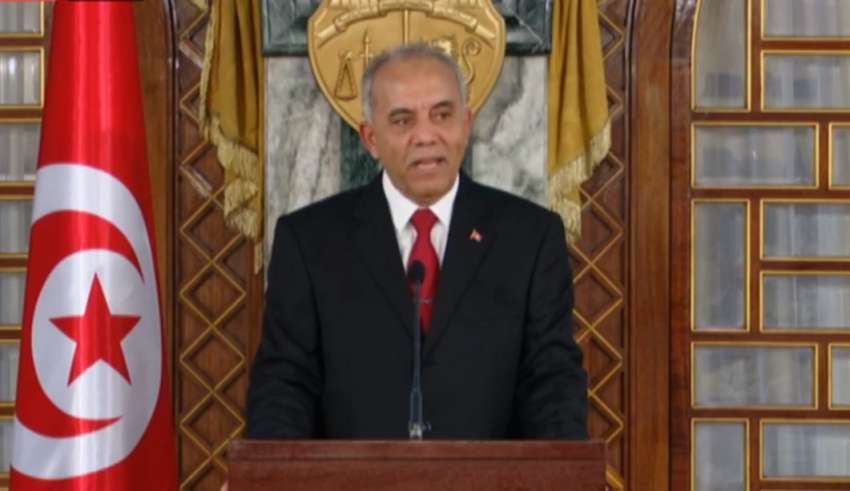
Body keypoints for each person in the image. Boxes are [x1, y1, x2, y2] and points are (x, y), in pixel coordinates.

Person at [246, 43, 588, 439]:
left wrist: (563, 466)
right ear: (370, 138)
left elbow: (552, 383)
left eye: (442, 115)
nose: (426, 136)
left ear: (466, 123)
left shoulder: (529, 238)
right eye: (403, 120)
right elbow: (284, 388)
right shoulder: (309, 242)